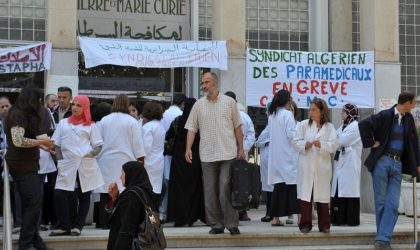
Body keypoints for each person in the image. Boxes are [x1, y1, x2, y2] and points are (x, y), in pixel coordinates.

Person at [185, 72, 245, 235]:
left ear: (215, 83)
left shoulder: (229, 102)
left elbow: (237, 126)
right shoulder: (198, 105)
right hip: (207, 154)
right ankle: (216, 225)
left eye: (206, 82)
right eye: (202, 83)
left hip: (227, 153)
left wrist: (241, 148)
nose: (204, 86)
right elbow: (191, 128)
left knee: (225, 187)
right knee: (210, 191)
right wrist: (188, 148)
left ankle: (232, 223)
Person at [358, 92, 420, 249]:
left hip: (397, 165)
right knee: (380, 203)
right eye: (413, 103)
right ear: (406, 103)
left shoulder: (409, 119)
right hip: (382, 162)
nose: (414, 106)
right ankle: (383, 241)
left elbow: (413, 142)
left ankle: (381, 239)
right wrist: (371, 143)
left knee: (392, 204)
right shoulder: (385, 115)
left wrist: (417, 163)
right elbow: (363, 124)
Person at [4, 86, 55, 250]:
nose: (41, 103)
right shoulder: (17, 114)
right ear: (33, 99)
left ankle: (34, 239)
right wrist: (42, 143)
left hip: (29, 163)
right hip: (21, 164)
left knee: (32, 203)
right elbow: (19, 141)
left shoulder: (26, 113)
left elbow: (32, 135)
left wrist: (45, 145)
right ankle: (26, 243)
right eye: (39, 100)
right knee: (34, 202)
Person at [50, 95, 104, 237]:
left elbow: (99, 145)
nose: (75, 108)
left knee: (84, 195)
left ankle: (78, 226)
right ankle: (65, 226)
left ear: (85, 107)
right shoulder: (63, 123)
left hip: (85, 164)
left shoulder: (91, 125)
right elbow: (56, 144)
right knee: (59, 194)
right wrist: (60, 160)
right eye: (74, 104)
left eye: (79, 105)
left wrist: (91, 154)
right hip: (66, 164)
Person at [96, 94, 145, 229]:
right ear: (127, 105)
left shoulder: (104, 121)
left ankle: (103, 222)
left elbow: (97, 143)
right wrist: (141, 161)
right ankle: (121, 222)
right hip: (125, 162)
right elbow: (138, 145)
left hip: (105, 161)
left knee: (106, 192)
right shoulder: (132, 122)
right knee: (124, 193)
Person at [292, 98, 337, 234]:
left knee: (322, 196)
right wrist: (305, 144)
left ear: (322, 111)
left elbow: (334, 145)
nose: (311, 112)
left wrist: (321, 145)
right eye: (310, 109)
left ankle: (324, 225)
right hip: (306, 165)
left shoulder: (329, 128)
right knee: (306, 195)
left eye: (314, 110)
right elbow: (295, 141)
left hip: (322, 167)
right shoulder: (303, 125)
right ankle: (305, 224)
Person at [167, 98, 205, 227]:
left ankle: (179, 218)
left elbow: (168, 136)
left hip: (178, 158)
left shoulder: (177, 121)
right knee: (193, 187)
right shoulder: (199, 122)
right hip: (195, 158)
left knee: (178, 188)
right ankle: (191, 217)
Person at [267, 90, 299, 227]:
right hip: (287, 156)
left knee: (278, 190)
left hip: (275, 158)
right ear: (287, 100)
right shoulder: (287, 115)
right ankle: (300, 217)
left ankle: (275, 218)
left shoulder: (272, 115)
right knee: (293, 188)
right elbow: (292, 135)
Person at [106, 161, 156, 250]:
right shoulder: (145, 191)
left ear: (131, 174)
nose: (120, 177)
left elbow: (128, 226)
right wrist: (116, 198)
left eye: (123, 173)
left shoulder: (132, 195)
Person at [224, 91, 255, 221]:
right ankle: (228, 212)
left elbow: (251, 135)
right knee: (226, 183)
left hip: (240, 156)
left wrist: (242, 150)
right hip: (225, 154)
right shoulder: (222, 116)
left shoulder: (244, 117)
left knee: (241, 184)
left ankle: (242, 211)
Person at [330, 104, 362, 226]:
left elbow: (341, 141)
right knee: (339, 190)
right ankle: (338, 219)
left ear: (349, 113)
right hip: (341, 163)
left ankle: (350, 220)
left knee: (349, 191)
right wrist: (338, 140)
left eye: (343, 111)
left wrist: (338, 140)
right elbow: (335, 139)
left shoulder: (355, 126)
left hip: (350, 165)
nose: (341, 113)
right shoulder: (343, 126)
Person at [160, 93, 185, 223]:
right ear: (182, 103)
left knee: (164, 184)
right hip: (175, 153)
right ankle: (171, 213)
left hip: (164, 153)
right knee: (173, 186)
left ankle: (163, 213)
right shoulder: (179, 116)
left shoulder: (164, 114)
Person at [142, 101, 166, 211]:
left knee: (146, 191)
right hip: (158, 161)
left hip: (148, 162)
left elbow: (145, 147)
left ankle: (148, 217)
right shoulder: (160, 126)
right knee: (156, 190)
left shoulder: (148, 127)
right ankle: (154, 217)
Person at [256, 105, 273, 223]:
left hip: (270, 159)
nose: (266, 112)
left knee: (271, 189)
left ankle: (270, 214)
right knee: (269, 188)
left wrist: (261, 142)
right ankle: (270, 213)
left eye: (267, 110)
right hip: (268, 159)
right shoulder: (270, 124)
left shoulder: (271, 125)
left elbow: (260, 141)